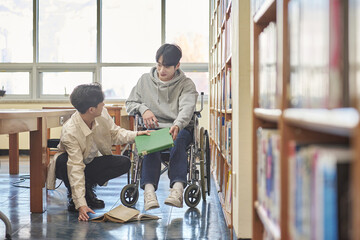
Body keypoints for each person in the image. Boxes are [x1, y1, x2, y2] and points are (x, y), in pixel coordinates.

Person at [46, 83, 151, 221]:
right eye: (101, 102)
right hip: (68, 166)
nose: (104, 104)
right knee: (64, 162)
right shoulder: (70, 131)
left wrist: (137, 135)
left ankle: (88, 187)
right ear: (91, 109)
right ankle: (75, 195)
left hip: (90, 162)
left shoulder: (102, 114)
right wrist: (81, 204)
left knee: (123, 163)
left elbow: (115, 133)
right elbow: (75, 168)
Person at [126, 43, 199, 211]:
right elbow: (130, 103)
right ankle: (149, 192)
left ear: (177, 66)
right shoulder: (145, 81)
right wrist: (144, 110)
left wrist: (178, 124)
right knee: (151, 142)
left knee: (179, 141)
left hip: (178, 128)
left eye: (167, 66)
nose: (161, 70)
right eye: (159, 65)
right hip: (154, 129)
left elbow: (187, 108)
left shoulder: (186, 84)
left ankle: (178, 190)